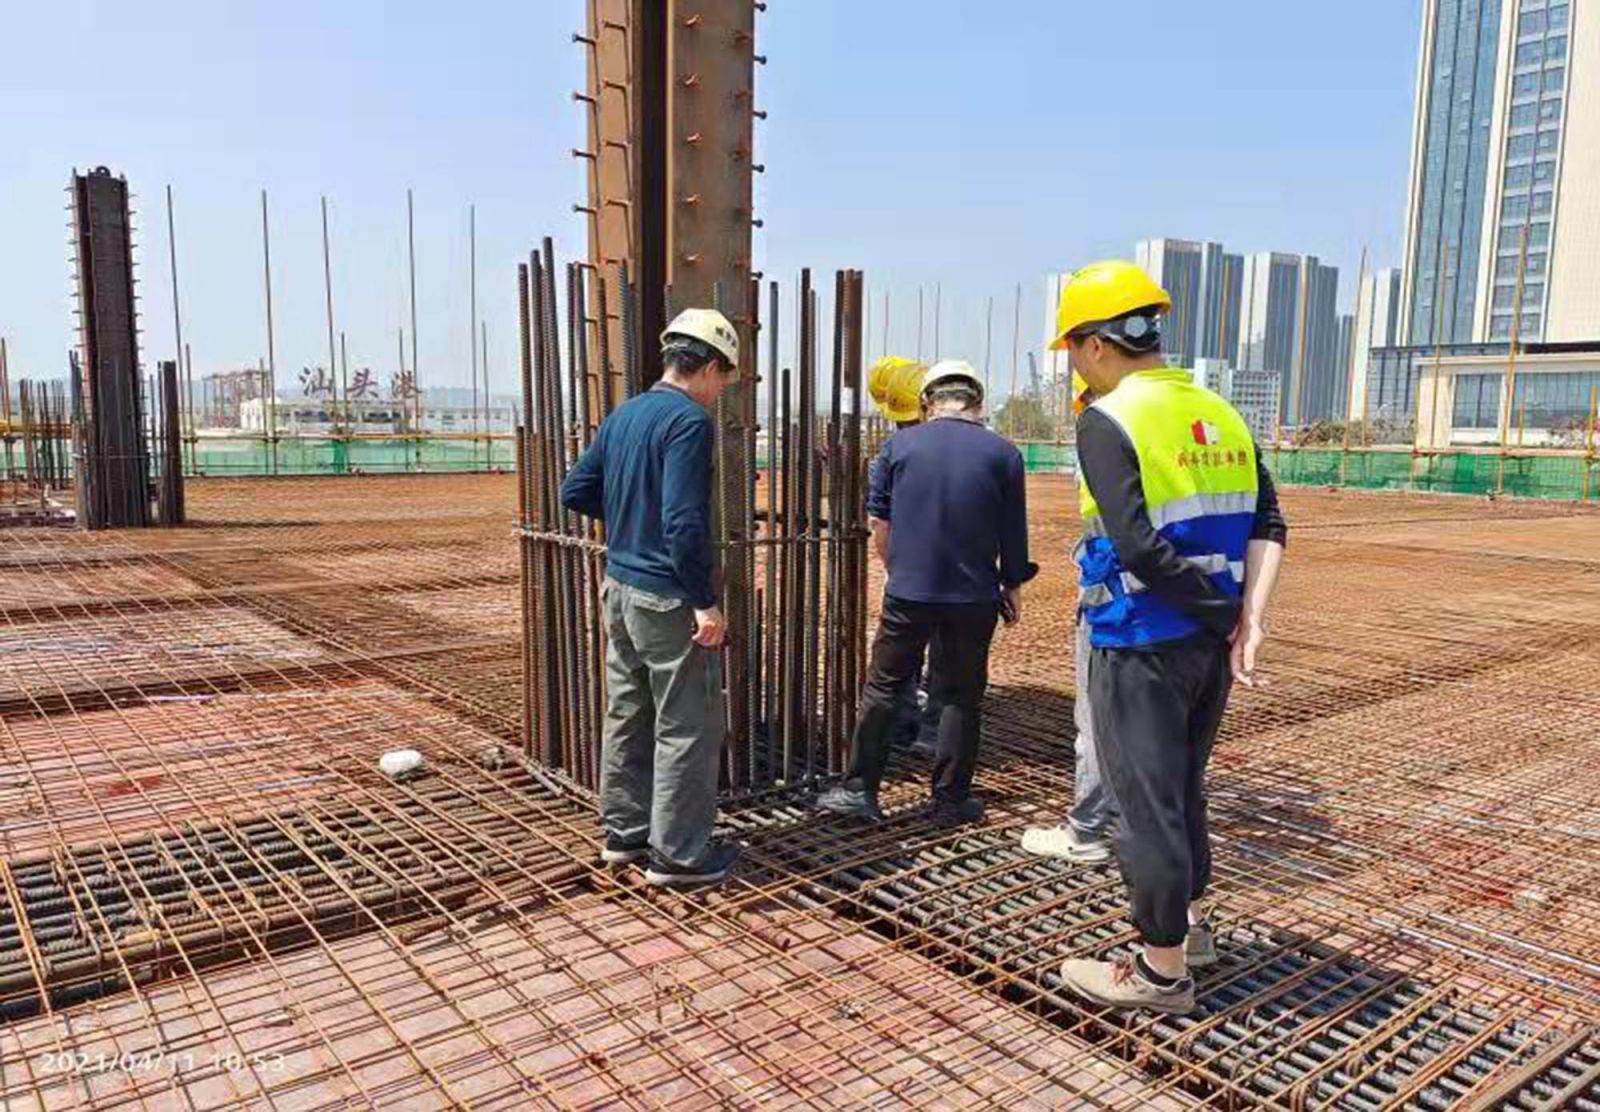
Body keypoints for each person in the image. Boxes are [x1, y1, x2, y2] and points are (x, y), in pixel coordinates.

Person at [1048, 261, 1287, 1013]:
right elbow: (1269, 521)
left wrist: (1222, 613)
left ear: (1094, 344)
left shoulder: (1107, 419)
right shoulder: (1221, 412)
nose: (1073, 365)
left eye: (1071, 350)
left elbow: (1138, 547)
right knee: (1181, 792)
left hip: (1138, 642)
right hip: (1207, 651)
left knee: (1144, 809)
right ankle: (1193, 930)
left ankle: (1160, 975)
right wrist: (1246, 617)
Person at [559, 308, 743, 888]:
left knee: (627, 712)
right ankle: (679, 856)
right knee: (686, 725)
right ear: (709, 367)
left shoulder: (627, 414)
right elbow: (684, 522)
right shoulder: (688, 421)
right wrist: (704, 601)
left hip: (619, 588)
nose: (720, 391)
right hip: (666, 596)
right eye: (724, 379)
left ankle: (624, 834)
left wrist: (629, 521)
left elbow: (575, 489)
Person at [817, 360, 1037, 827]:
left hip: (909, 592)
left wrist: (897, 570)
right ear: (978, 403)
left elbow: (879, 522)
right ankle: (951, 800)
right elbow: (1013, 532)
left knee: (884, 686)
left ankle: (859, 791)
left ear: (927, 402)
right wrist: (1013, 583)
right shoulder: (1004, 454)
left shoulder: (898, 447)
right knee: (960, 696)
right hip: (974, 597)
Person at [1020, 371, 1114, 865]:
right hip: (1193, 604)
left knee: (1098, 717)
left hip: (1116, 599)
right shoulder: (1194, 421)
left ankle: (1088, 829)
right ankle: (1155, 826)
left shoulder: (1108, 431)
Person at [866, 355, 943, 756]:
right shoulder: (965, 447)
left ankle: (900, 727)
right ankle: (932, 732)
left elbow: (880, 523)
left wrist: (895, 570)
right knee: (947, 653)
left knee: (898, 657)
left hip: (908, 570)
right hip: (957, 570)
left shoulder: (891, 453)